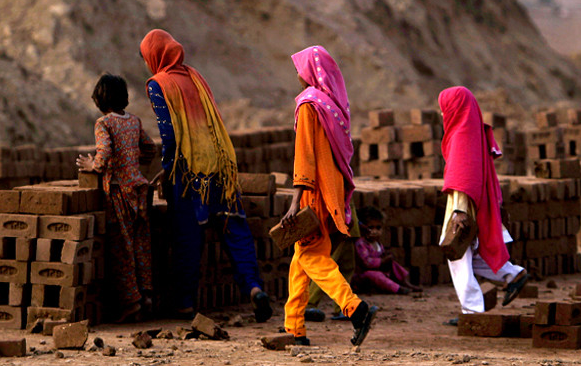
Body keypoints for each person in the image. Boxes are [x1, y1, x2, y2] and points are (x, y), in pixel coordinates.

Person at [138, 28, 272, 322]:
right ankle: (253, 289)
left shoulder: (158, 84)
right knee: (236, 231)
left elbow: (169, 134)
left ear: (153, 56)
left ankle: (185, 304)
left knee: (187, 237)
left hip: (189, 171)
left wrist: (168, 167)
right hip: (220, 164)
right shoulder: (195, 76)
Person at [281, 45, 376, 347]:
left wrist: (295, 203)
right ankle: (294, 328)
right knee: (301, 261)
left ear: (310, 71)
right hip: (330, 192)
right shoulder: (331, 105)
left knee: (311, 256)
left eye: (300, 67)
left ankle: (355, 308)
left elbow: (305, 157)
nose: (297, 74)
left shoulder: (309, 106)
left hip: (313, 195)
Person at [438, 86, 529, 319]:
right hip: (479, 202)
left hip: (463, 204)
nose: (441, 114)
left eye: (444, 108)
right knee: (475, 256)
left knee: (457, 256)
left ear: (455, 107)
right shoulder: (474, 132)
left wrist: (459, 211)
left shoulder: (460, 135)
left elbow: (462, 176)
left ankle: (472, 312)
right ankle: (511, 275)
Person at [76, 73, 154, 322]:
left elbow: (105, 152)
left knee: (123, 249)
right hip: (140, 191)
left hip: (119, 192)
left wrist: (93, 166)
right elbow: (150, 148)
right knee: (141, 247)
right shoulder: (134, 120)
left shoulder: (103, 124)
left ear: (100, 99)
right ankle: (148, 296)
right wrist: (132, 161)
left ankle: (131, 304)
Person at [352, 206, 421, 295]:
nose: (375, 231)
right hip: (363, 275)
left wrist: (387, 257)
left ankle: (405, 282)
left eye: (378, 228)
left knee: (394, 264)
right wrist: (382, 261)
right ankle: (397, 289)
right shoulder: (361, 243)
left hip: (379, 270)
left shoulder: (377, 244)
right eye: (371, 227)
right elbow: (366, 262)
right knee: (375, 275)